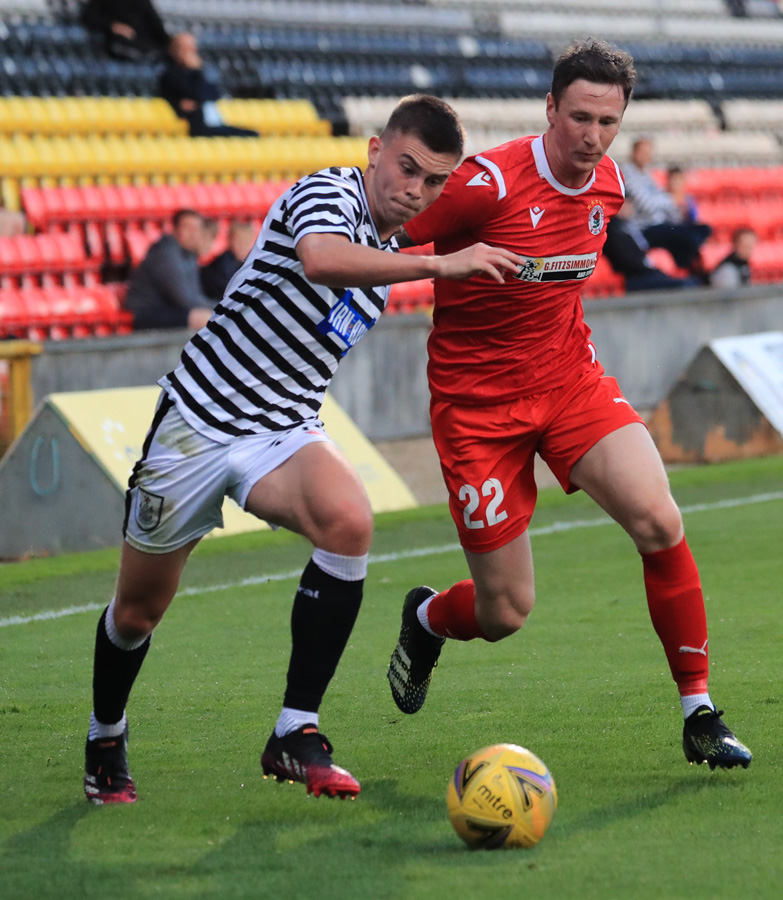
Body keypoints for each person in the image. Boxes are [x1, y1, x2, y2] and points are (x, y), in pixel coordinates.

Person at [83, 94, 521, 805]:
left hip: (281, 427)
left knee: (350, 520)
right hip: (198, 418)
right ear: (376, 150)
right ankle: (106, 733)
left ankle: (295, 731)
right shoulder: (327, 192)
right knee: (137, 613)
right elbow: (319, 261)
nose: (414, 189)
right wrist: (440, 268)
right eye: (407, 167)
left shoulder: (390, 248)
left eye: (433, 181)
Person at [386, 39, 752, 772]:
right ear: (549, 108)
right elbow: (386, 233)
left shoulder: (608, 183)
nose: (592, 136)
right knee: (505, 613)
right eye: (579, 117)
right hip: (476, 409)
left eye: (608, 122)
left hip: (567, 382)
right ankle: (427, 619)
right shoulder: (484, 185)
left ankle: (699, 712)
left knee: (659, 518)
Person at [621, 138, 711, 276]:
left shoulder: (646, 175)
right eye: (643, 152)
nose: (646, 156)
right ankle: (694, 274)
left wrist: (670, 203)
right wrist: (672, 199)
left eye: (648, 153)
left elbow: (662, 204)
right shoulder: (626, 173)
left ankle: (690, 273)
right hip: (644, 228)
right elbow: (647, 204)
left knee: (702, 230)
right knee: (688, 237)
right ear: (634, 152)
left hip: (661, 224)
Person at [124, 208, 216, 332]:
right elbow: (184, 299)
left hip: (169, 310)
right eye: (188, 229)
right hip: (146, 314)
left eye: (197, 229)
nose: (193, 234)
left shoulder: (188, 254)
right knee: (206, 318)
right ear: (175, 229)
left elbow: (195, 295)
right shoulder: (165, 254)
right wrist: (220, 309)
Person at [158, 32, 259, 138]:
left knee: (252, 134)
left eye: (193, 48)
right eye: (186, 49)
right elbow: (195, 93)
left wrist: (197, 99)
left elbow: (213, 94)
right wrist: (196, 71)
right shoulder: (170, 74)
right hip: (199, 128)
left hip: (213, 122)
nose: (192, 53)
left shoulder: (195, 74)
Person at [603, 199, 702, 292]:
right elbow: (626, 260)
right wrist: (645, 262)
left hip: (644, 273)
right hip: (632, 278)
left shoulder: (628, 228)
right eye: (626, 204)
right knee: (685, 285)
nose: (630, 207)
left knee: (691, 281)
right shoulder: (614, 230)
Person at [82, 0, 170, 61]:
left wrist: (174, 42)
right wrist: (113, 26)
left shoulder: (142, 2)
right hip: (115, 42)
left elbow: (156, 26)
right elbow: (88, 17)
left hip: (143, 43)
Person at [201, 220, 257, 301]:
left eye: (246, 241)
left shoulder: (245, 263)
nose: (242, 245)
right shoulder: (223, 263)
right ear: (230, 240)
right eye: (239, 240)